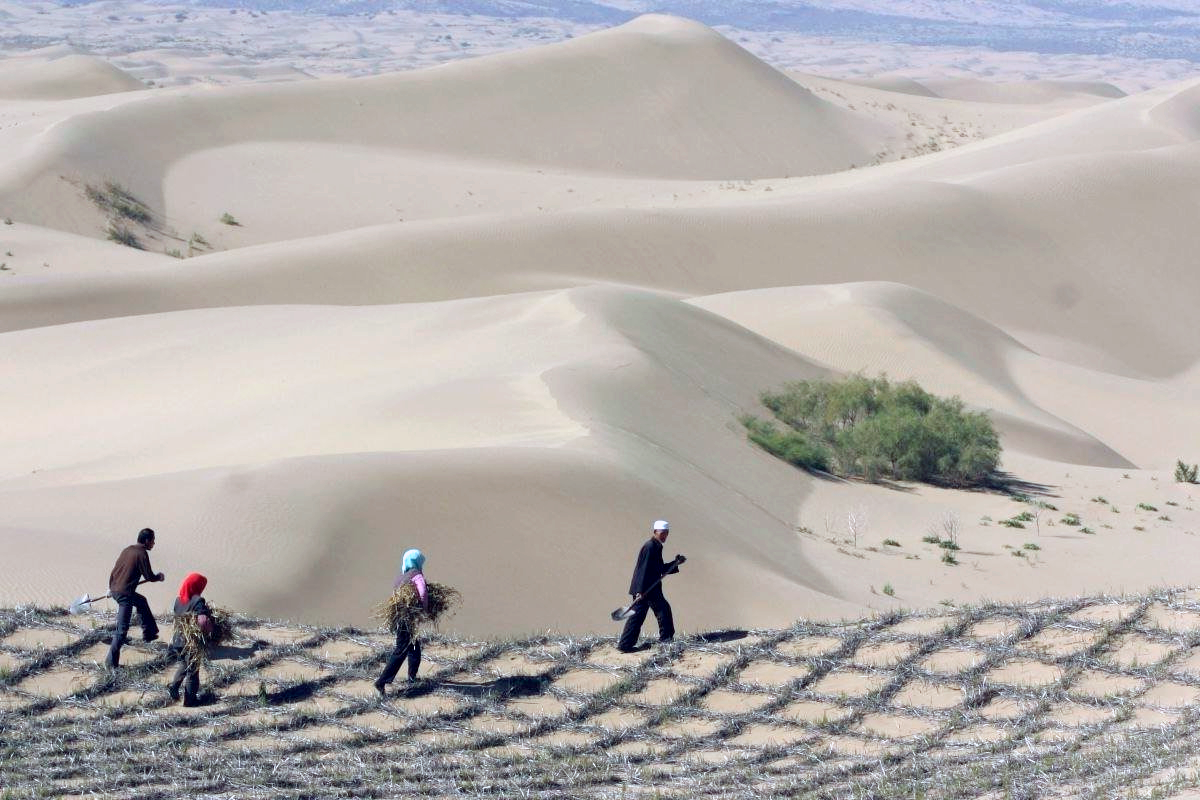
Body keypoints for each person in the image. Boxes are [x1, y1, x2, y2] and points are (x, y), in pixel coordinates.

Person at [617, 520, 686, 653]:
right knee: (662, 610)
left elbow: (659, 568)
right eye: (662, 533)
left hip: (649, 587)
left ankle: (625, 645)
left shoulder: (656, 546)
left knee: (638, 616)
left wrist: (676, 563)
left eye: (666, 533)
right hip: (646, 588)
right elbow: (643, 569)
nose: (664, 535)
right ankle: (666, 640)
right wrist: (639, 591)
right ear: (655, 532)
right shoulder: (650, 546)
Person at [105, 528, 165, 669]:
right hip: (125, 595)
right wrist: (159, 577)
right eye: (153, 540)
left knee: (141, 602)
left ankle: (149, 633)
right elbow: (149, 576)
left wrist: (111, 588)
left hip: (115, 589)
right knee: (121, 630)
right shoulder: (141, 553)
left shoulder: (127, 550)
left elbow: (114, 571)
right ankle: (110, 663)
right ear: (146, 541)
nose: (154, 543)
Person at [374, 548, 428, 697]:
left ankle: (412, 678)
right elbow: (422, 592)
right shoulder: (416, 576)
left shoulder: (401, 578)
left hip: (400, 617)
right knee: (401, 650)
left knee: (414, 647)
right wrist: (424, 609)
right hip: (407, 618)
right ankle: (382, 681)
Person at [167, 572, 212, 707]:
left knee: (183, 665)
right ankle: (190, 701)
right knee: (193, 671)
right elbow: (203, 621)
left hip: (177, 640)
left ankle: (174, 686)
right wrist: (210, 629)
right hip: (190, 642)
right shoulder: (198, 600)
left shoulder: (178, 600)